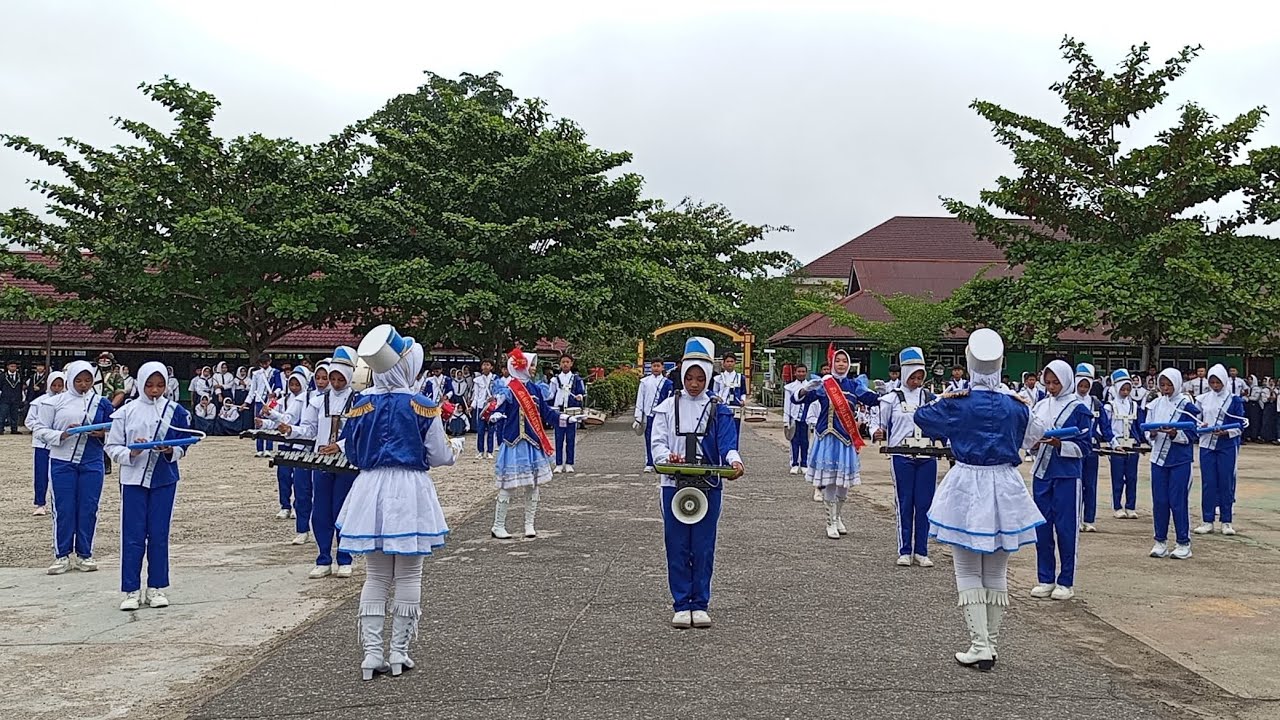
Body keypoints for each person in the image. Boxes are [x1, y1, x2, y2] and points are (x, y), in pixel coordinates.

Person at [913, 328, 1046, 672]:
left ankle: (979, 644)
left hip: (968, 482)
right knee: (997, 570)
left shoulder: (958, 402)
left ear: (969, 362)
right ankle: (992, 644)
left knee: (968, 568)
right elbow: (1037, 434)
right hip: (1005, 483)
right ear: (1002, 364)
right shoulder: (1015, 405)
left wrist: (946, 397)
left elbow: (922, 418)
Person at [335, 326, 455, 680]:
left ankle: (372, 654)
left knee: (375, 574)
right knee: (409, 572)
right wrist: (455, 451)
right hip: (409, 488)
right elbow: (438, 455)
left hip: (370, 486)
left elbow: (353, 452)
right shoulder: (422, 404)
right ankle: (399, 652)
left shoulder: (361, 403)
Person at [650, 337, 744, 629]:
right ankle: (681, 603)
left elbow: (728, 444)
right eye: (689, 377)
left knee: (703, 546)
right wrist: (668, 457)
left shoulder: (719, 408)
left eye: (700, 378)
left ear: (708, 377)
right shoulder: (666, 407)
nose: (693, 383)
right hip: (673, 484)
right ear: (681, 375)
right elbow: (658, 444)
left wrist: (734, 460)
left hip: (709, 485)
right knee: (676, 544)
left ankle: (700, 603)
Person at [104, 362, 193, 611]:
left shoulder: (174, 410)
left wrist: (169, 450)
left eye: (160, 385)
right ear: (141, 383)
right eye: (150, 385)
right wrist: (132, 452)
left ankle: (156, 587)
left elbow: (183, 444)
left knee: (158, 534)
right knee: (132, 535)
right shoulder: (125, 412)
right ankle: (131, 589)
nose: (155, 390)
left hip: (164, 479)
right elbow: (112, 446)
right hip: (133, 481)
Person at [485, 347, 583, 539]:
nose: (533, 369)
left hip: (531, 443)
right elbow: (496, 409)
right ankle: (498, 525)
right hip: (513, 442)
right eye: (531, 365)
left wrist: (565, 418)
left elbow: (546, 413)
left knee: (533, 485)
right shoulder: (509, 389)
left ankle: (529, 524)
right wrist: (495, 415)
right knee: (508, 486)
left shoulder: (535, 388)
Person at [34, 361, 115, 575]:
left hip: (92, 460)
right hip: (62, 460)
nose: (83, 385)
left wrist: (103, 435)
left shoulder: (102, 403)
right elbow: (40, 430)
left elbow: (116, 430)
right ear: (70, 380)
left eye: (87, 380)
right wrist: (62, 434)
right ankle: (61, 555)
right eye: (78, 380)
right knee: (64, 508)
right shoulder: (53, 403)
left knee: (88, 508)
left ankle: (84, 554)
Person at [794, 348, 880, 539]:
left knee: (844, 483)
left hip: (846, 439)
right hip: (827, 437)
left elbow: (873, 401)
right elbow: (798, 399)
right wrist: (805, 389)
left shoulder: (854, 385)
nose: (841, 364)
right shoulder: (824, 384)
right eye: (838, 360)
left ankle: (838, 516)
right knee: (830, 481)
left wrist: (884, 393)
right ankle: (830, 521)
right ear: (832, 363)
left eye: (844, 361)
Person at [286, 355, 358, 579]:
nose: (335, 383)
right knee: (321, 511)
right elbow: (308, 430)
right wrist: (289, 430)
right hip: (322, 463)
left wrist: (340, 445)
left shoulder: (359, 401)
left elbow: (361, 432)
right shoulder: (317, 401)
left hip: (347, 463)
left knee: (342, 510)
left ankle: (345, 558)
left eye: (340, 379)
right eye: (332, 379)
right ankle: (323, 558)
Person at [1028, 360, 1093, 601]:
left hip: (1066, 475)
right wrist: (1033, 445)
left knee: (1066, 530)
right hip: (1042, 474)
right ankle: (1045, 578)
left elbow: (1086, 447)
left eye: (1057, 383)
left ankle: (1066, 580)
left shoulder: (1078, 409)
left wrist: (1060, 444)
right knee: (1042, 529)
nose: (1052, 387)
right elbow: (1030, 437)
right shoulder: (1041, 406)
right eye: (1049, 382)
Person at [870, 347, 939, 567]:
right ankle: (904, 549)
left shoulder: (931, 399)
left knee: (925, 503)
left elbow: (943, 423)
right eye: (913, 376)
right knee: (905, 502)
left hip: (927, 456)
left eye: (921, 377)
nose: (917, 381)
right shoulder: (890, 399)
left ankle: (922, 550)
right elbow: (877, 422)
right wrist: (877, 432)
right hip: (901, 455)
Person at [1146, 368, 1201, 559]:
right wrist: (1152, 434)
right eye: (1163, 385)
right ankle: (1160, 541)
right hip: (1158, 460)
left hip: (1179, 460)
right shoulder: (1154, 404)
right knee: (1160, 501)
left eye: (1170, 385)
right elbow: (1146, 429)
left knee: (1178, 501)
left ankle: (1183, 542)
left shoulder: (1187, 406)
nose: (1166, 388)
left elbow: (1193, 433)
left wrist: (1174, 433)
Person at [259, 368, 313, 543]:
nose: (295, 387)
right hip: (290, 443)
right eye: (292, 384)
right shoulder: (282, 400)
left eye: (298, 384)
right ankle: (287, 507)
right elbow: (283, 419)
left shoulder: (313, 400)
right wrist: (266, 419)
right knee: (286, 477)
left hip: (311, 447)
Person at [1194, 364, 1245, 536]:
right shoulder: (1202, 399)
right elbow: (1196, 420)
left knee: (1226, 482)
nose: (1215, 386)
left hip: (1227, 446)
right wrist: (1201, 425)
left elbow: (1242, 423)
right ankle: (1207, 520)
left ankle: (1226, 521)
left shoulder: (1234, 400)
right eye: (1212, 382)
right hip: (1207, 444)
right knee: (1208, 483)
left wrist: (1227, 432)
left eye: (1218, 382)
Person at [1101, 371, 1144, 519]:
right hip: (1116, 445)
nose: (1125, 392)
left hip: (1132, 445)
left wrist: (1142, 442)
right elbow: (1105, 427)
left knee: (1132, 477)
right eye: (1122, 389)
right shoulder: (1109, 406)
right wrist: (1113, 443)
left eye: (1128, 389)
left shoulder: (1134, 405)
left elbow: (1139, 426)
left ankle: (1131, 506)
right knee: (1117, 477)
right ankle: (1117, 506)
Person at [26, 370, 65, 515]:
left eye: (60, 385)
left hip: (60, 444)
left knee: (59, 475)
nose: (56, 388)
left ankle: (58, 503)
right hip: (42, 444)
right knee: (41, 474)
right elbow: (29, 421)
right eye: (54, 385)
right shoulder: (39, 402)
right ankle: (40, 503)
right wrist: (43, 430)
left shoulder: (66, 402)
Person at [1073, 364, 1104, 533]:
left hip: (1093, 449)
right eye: (1081, 385)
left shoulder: (1096, 403)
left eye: (1087, 386)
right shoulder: (1070, 401)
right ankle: (1076, 518)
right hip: (1076, 449)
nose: (1084, 389)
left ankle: (1089, 519)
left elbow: (1104, 426)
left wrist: (1113, 442)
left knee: (1090, 484)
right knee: (1076, 484)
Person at [548, 353, 586, 474]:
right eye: (563, 362)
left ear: (571, 364)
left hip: (571, 412)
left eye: (567, 362)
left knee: (570, 438)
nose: (565, 364)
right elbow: (551, 395)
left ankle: (569, 463)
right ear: (560, 364)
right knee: (558, 438)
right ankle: (558, 463)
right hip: (559, 411)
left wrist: (579, 397)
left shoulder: (576, 379)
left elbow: (581, 392)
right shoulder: (554, 380)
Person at [634, 359, 673, 474]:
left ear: (662, 368)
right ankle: (649, 462)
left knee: (664, 438)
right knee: (649, 439)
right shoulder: (644, 382)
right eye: (654, 366)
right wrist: (638, 416)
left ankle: (662, 460)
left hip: (662, 415)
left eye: (658, 366)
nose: (656, 368)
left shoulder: (667, 383)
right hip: (649, 415)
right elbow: (640, 399)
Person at [248, 354, 285, 457]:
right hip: (259, 401)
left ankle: (269, 448)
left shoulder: (275, 372)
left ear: (270, 361)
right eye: (262, 363)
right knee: (259, 424)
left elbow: (279, 387)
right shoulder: (256, 374)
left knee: (270, 424)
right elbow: (252, 390)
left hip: (270, 401)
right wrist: (247, 402)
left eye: (266, 362)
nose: (264, 364)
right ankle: (259, 449)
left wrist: (274, 393)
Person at [782, 363, 811, 476]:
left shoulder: (810, 386)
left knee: (805, 442)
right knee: (794, 441)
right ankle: (794, 464)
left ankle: (804, 464)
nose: (801, 374)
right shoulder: (790, 388)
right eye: (799, 371)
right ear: (795, 373)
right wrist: (786, 420)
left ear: (806, 373)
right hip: (794, 418)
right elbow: (787, 404)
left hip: (806, 418)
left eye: (803, 372)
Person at [471, 359, 499, 459]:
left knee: (491, 429)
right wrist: (472, 406)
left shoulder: (495, 379)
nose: (485, 367)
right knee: (480, 430)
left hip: (491, 407)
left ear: (491, 367)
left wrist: (494, 397)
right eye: (484, 365)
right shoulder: (477, 380)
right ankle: (480, 451)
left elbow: (499, 392)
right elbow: (476, 395)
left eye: (488, 365)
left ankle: (490, 451)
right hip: (481, 407)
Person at [712, 352, 746, 431]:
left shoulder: (741, 377)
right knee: (722, 429)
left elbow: (743, 391)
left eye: (732, 361)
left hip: (735, 407)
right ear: (723, 363)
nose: (729, 364)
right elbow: (714, 391)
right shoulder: (718, 378)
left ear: (735, 363)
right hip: (722, 406)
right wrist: (717, 398)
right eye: (727, 361)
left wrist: (743, 400)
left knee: (735, 429)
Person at [0, 360, 23, 434]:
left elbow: (21, 387)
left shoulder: (19, 376)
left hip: (15, 398)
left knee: (14, 415)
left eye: (15, 366)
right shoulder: (3, 376)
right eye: (11, 366)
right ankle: (1, 429)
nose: (13, 368)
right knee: (3, 414)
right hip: (5, 398)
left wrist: (20, 398)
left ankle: (14, 429)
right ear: (7, 367)